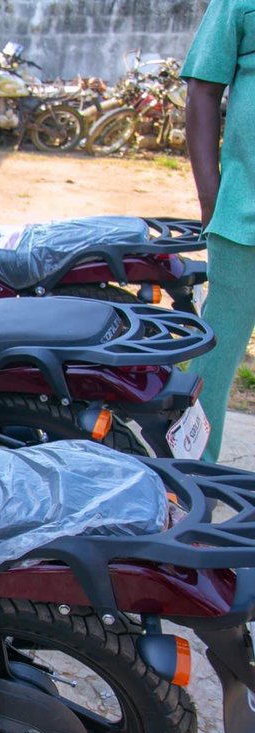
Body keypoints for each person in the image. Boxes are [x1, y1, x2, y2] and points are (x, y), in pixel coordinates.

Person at [183, 0, 255, 462]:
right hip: (243, 218)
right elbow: (202, 89)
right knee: (216, 351)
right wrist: (211, 196)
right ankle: (192, 473)